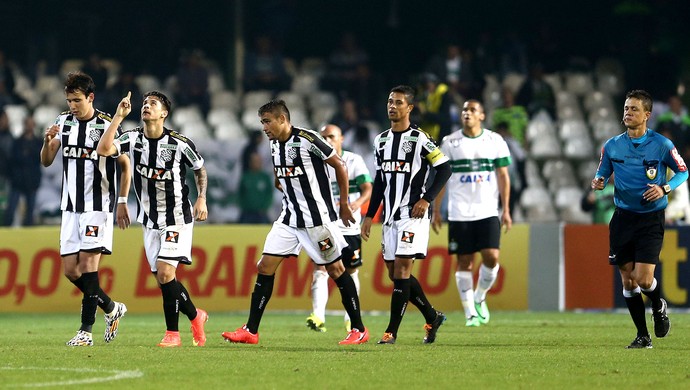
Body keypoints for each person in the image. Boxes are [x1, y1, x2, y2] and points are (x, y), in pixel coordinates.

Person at [221, 100, 369, 345]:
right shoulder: (274, 145)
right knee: (264, 266)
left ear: (282, 119)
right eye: (262, 123)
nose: (264, 128)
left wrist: (343, 203)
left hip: (317, 219)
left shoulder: (308, 140)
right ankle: (251, 330)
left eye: (267, 121)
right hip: (288, 219)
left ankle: (359, 329)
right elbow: (282, 176)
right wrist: (282, 182)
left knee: (336, 270)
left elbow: (340, 166)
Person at [96, 90, 209, 348]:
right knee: (163, 278)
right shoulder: (134, 137)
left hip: (177, 217)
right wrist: (118, 116)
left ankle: (173, 334)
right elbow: (104, 149)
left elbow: (199, 169)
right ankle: (196, 315)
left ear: (164, 113)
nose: (146, 106)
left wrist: (201, 198)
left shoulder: (180, 143)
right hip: (149, 219)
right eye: (145, 103)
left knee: (167, 272)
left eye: (153, 104)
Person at [39, 71, 130, 346]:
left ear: (90, 97)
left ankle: (85, 332)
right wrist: (46, 142)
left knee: (89, 267)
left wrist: (123, 201)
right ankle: (112, 308)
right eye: (69, 100)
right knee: (71, 270)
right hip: (70, 206)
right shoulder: (63, 122)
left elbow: (125, 166)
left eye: (77, 100)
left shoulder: (107, 125)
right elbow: (46, 161)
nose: (72, 106)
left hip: (97, 206)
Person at [592, 89, 685, 348]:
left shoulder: (662, 144)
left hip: (650, 218)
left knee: (644, 279)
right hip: (622, 217)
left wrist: (664, 188)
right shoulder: (612, 145)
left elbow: (682, 171)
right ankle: (642, 336)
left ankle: (658, 304)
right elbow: (601, 172)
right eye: (626, 108)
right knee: (627, 279)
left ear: (647, 114)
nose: (628, 113)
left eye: (634, 109)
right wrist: (598, 182)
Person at [361, 85, 451, 344]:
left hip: (412, 213)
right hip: (389, 216)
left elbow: (444, 169)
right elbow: (379, 182)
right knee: (394, 274)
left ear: (410, 108)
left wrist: (426, 199)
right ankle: (432, 316)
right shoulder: (381, 140)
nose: (392, 106)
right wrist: (369, 215)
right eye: (390, 101)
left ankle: (391, 332)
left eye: (399, 102)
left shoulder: (420, 139)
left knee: (401, 271)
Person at [432, 100, 512, 327]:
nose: (467, 113)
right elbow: (442, 177)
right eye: (464, 110)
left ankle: (480, 296)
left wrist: (506, 209)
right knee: (464, 261)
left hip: (487, 209)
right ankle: (470, 313)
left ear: (482, 116)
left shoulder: (494, 140)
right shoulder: (449, 142)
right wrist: (436, 210)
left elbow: (503, 176)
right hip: (459, 211)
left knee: (492, 256)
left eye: (472, 110)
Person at [306, 124, 373, 332]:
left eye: (331, 137)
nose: (327, 141)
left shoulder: (354, 160)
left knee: (351, 270)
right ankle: (318, 316)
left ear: (341, 138)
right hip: (324, 224)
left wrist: (356, 204)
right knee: (320, 269)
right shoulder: (315, 162)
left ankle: (349, 317)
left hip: (348, 225)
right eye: (323, 137)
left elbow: (367, 188)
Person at [4, 116, 42, 226]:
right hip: (18, 179)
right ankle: (5, 230)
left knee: (30, 210)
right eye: (27, 124)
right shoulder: (17, 142)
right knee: (11, 208)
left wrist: (27, 155)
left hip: (32, 180)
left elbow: (39, 158)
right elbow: (14, 158)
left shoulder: (38, 142)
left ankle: (28, 232)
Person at [238, 151, 273, 224]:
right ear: (250, 162)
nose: (256, 163)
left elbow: (269, 194)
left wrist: (265, 207)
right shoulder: (246, 176)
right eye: (254, 161)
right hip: (247, 213)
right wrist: (243, 206)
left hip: (261, 213)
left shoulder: (265, 177)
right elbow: (240, 193)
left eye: (258, 161)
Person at [417, 72, 454, 142]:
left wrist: (424, 113)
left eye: (427, 86)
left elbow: (444, 118)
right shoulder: (423, 95)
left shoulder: (443, 93)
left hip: (440, 135)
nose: (427, 90)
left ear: (434, 84)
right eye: (424, 88)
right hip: (426, 134)